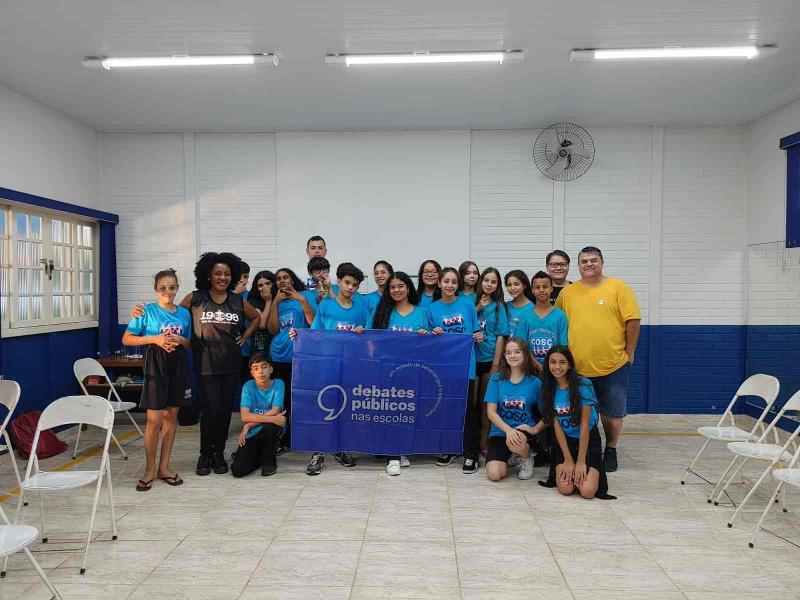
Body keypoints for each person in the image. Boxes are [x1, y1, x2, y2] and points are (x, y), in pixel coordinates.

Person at [555, 246, 640, 472]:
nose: (589, 264)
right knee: (578, 412)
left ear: (602, 262)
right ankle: (583, 448)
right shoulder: (568, 293)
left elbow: (633, 320)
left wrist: (629, 352)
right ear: (579, 265)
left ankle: (611, 449)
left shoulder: (618, 288)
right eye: (584, 261)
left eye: (593, 260)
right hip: (577, 368)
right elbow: (557, 321)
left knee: (611, 413)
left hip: (614, 365)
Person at [122, 268, 191, 492]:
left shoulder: (184, 313)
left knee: (171, 417)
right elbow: (128, 339)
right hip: (156, 363)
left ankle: (164, 467)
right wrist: (156, 339)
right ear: (155, 289)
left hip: (178, 365)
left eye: (172, 287)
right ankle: (149, 469)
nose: (168, 292)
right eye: (163, 288)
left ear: (177, 288)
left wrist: (180, 339)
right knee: (154, 420)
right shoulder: (145, 311)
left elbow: (189, 343)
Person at [306, 262, 370, 475]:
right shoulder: (326, 305)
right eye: (347, 282)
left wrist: (364, 331)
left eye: (355, 285)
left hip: (351, 366)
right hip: (327, 364)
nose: (351, 287)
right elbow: (315, 333)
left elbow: (368, 337)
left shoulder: (361, 309)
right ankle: (318, 452)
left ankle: (341, 448)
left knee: (346, 407)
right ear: (339, 282)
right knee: (323, 408)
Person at [370, 271, 428, 475]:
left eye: (400, 286)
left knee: (407, 412)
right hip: (387, 371)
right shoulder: (382, 312)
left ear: (408, 288)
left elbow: (429, 343)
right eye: (392, 287)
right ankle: (392, 456)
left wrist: (426, 336)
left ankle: (401, 450)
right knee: (391, 412)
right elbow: (371, 340)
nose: (396, 290)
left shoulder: (421, 312)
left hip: (412, 371)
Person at [539, 346, 614, 499]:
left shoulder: (583, 385)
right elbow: (556, 426)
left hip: (586, 440)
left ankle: (585, 472)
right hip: (565, 441)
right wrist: (567, 459)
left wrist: (580, 462)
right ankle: (569, 471)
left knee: (587, 491)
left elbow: (585, 426)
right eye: (553, 362)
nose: (557, 367)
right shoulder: (548, 387)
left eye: (562, 362)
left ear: (570, 365)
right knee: (566, 489)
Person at [428, 267, 484, 474]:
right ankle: (450, 449)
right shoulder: (432, 309)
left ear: (457, 285)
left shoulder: (467, 305)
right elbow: (427, 338)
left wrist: (478, 335)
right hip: (444, 368)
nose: (450, 285)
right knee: (447, 410)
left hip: (466, 365)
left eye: (453, 282)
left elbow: (476, 330)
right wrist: (434, 333)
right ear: (440, 283)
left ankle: (471, 454)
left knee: (468, 411)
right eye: (446, 281)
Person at [484, 337, 546, 482]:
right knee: (494, 474)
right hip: (501, 431)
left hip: (523, 430)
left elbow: (549, 414)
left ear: (525, 354)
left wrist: (535, 429)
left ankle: (526, 456)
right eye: (508, 353)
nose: (512, 355)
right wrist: (508, 430)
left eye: (517, 352)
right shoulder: (496, 379)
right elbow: (491, 412)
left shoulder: (535, 382)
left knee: (515, 442)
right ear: (504, 356)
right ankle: (512, 455)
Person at [267, 268, 316, 451]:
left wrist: (301, 300)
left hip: (300, 356)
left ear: (292, 279)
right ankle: (284, 438)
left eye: (285, 277)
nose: (282, 281)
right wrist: (275, 303)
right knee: (283, 399)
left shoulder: (305, 296)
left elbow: (313, 323)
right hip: (278, 355)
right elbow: (272, 329)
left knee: (301, 398)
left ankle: (299, 436)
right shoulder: (276, 301)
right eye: (278, 279)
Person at [231, 354, 287, 478]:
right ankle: (260, 457)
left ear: (271, 369)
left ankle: (269, 461)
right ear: (251, 372)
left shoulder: (278, 384)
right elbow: (245, 416)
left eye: (264, 367)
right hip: (253, 431)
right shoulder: (248, 386)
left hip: (270, 428)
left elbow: (275, 409)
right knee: (237, 470)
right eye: (256, 368)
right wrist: (248, 426)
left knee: (270, 426)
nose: (260, 371)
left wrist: (249, 424)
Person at [474, 267, 509, 452]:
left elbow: (501, 336)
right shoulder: (471, 302)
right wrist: (478, 307)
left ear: (497, 286)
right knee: (471, 405)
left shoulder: (499, 307)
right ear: (481, 282)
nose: (489, 284)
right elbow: (464, 324)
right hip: (472, 360)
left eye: (493, 281)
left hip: (489, 362)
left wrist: (496, 363)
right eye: (486, 280)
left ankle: (485, 443)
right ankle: (471, 443)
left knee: (485, 405)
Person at [526, 271, 568, 368]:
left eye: (545, 287)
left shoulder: (560, 316)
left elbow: (563, 346)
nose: (541, 290)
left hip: (554, 368)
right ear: (532, 290)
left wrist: (551, 365)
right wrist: (535, 364)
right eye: (537, 287)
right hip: (531, 368)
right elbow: (522, 345)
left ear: (551, 289)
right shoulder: (525, 316)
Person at [246, 270, 277, 359]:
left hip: (278, 343)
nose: (265, 287)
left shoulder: (280, 298)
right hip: (260, 346)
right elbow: (262, 324)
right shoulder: (253, 300)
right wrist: (268, 301)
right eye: (260, 285)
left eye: (268, 283)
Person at [504, 270, 536, 339]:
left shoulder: (533, 308)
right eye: (509, 285)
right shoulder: (505, 307)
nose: (512, 288)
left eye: (516, 284)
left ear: (524, 285)